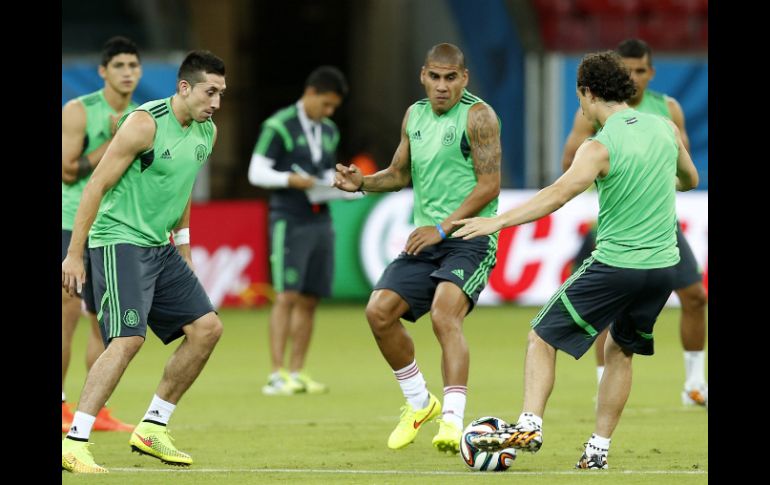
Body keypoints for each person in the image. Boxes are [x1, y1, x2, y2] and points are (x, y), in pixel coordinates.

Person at [454, 50, 699, 469]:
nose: (581, 107)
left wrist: (498, 222)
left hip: (617, 265)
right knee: (622, 351)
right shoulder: (665, 128)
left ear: (587, 92)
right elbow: (690, 180)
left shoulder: (599, 146)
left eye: (580, 98)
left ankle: (529, 424)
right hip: (663, 269)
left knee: (540, 337)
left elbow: (558, 194)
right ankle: (597, 452)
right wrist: (664, 175)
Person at [61, 50, 226, 474]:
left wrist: (185, 246)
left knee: (207, 329)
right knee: (128, 338)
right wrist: (75, 254)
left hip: (159, 245)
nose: (216, 102)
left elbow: (182, 186)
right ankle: (75, 440)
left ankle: (153, 425)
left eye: (222, 93)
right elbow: (95, 184)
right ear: (184, 88)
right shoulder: (144, 124)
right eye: (210, 92)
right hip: (118, 240)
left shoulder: (207, 131)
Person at [334, 43, 501, 454]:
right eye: (434, 77)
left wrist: (443, 229)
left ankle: (453, 421)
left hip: (469, 237)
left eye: (450, 78)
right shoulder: (415, 115)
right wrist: (363, 183)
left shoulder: (479, 117)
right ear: (423, 76)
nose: (442, 87)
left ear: (464, 78)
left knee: (445, 313)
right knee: (379, 311)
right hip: (428, 239)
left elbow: (489, 185)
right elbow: (398, 173)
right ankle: (419, 403)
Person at [561, 38, 708, 407]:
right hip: (615, 223)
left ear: (651, 72)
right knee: (602, 310)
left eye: (640, 70)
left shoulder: (668, 111)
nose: (634, 77)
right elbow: (569, 165)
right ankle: (601, 386)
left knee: (696, 296)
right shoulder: (593, 115)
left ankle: (694, 384)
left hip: (660, 224)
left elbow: (685, 169)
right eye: (626, 71)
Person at [247, 66, 349, 395]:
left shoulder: (329, 130)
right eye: (327, 104)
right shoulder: (279, 126)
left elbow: (323, 173)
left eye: (334, 107)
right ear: (310, 93)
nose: (330, 112)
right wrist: (289, 179)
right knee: (287, 296)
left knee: (310, 298)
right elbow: (256, 172)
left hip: (321, 217)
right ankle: (277, 374)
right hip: (289, 217)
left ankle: (298, 370)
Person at [61, 36, 142, 434]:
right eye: (120, 66)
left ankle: (97, 408)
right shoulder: (79, 111)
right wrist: (116, 142)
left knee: (102, 324)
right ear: (103, 72)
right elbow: (67, 170)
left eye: (133, 65)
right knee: (66, 316)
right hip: (70, 223)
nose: (127, 72)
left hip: (110, 228)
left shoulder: (144, 116)